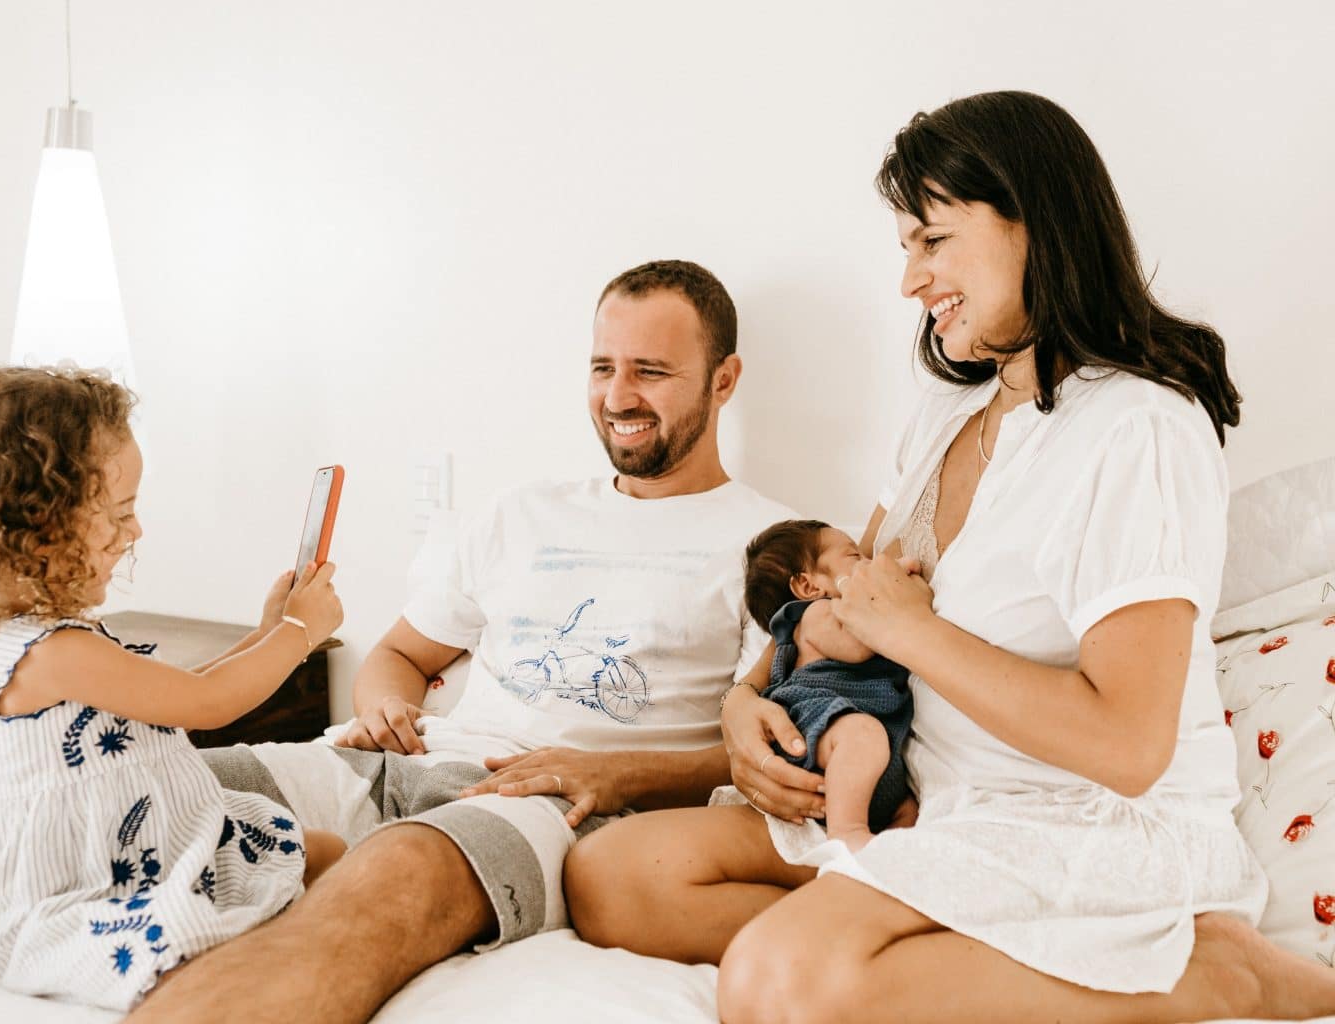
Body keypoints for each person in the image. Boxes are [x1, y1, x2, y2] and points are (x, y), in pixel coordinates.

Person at [0, 259, 796, 1024]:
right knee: (108, 808)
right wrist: (382, 702)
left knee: (391, 877)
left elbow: (776, 752)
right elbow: (402, 655)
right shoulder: (520, 513)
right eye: (603, 365)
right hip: (379, 762)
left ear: (725, 378)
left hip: (548, 803)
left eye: (653, 371)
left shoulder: (774, 544)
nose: (619, 393)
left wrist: (616, 776)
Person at [566, 91, 1335, 1022]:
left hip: (1083, 819)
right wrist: (743, 698)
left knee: (776, 983)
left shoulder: (1138, 427)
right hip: (927, 793)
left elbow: (1129, 747)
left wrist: (915, 634)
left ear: (1035, 225)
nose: (911, 281)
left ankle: (1218, 974)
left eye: (933, 241)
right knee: (613, 876)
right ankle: (920, 938)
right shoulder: (947, 415)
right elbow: (852, 594)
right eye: (906, 248)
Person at [0, 365, 347, 1009]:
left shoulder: (55, 640)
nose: (137, 532)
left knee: (320, 852)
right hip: (99, 889)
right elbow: (209, 706)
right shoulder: (52, 654)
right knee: (215, 930)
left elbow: (177, 693)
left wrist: (268, 632)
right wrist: (299, 631)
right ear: (37, 526)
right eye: (121, 513)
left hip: (156, 851)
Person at [733, 519, 912, 851]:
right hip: (817, 726)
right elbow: (860, 644)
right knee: (862, 734)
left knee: (909, 808)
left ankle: (887, 848)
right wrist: (896, 582)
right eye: (854, 556)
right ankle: (847, 832)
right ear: (807, 586)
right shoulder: (816, 615)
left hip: (867, 752)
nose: (870, 563)